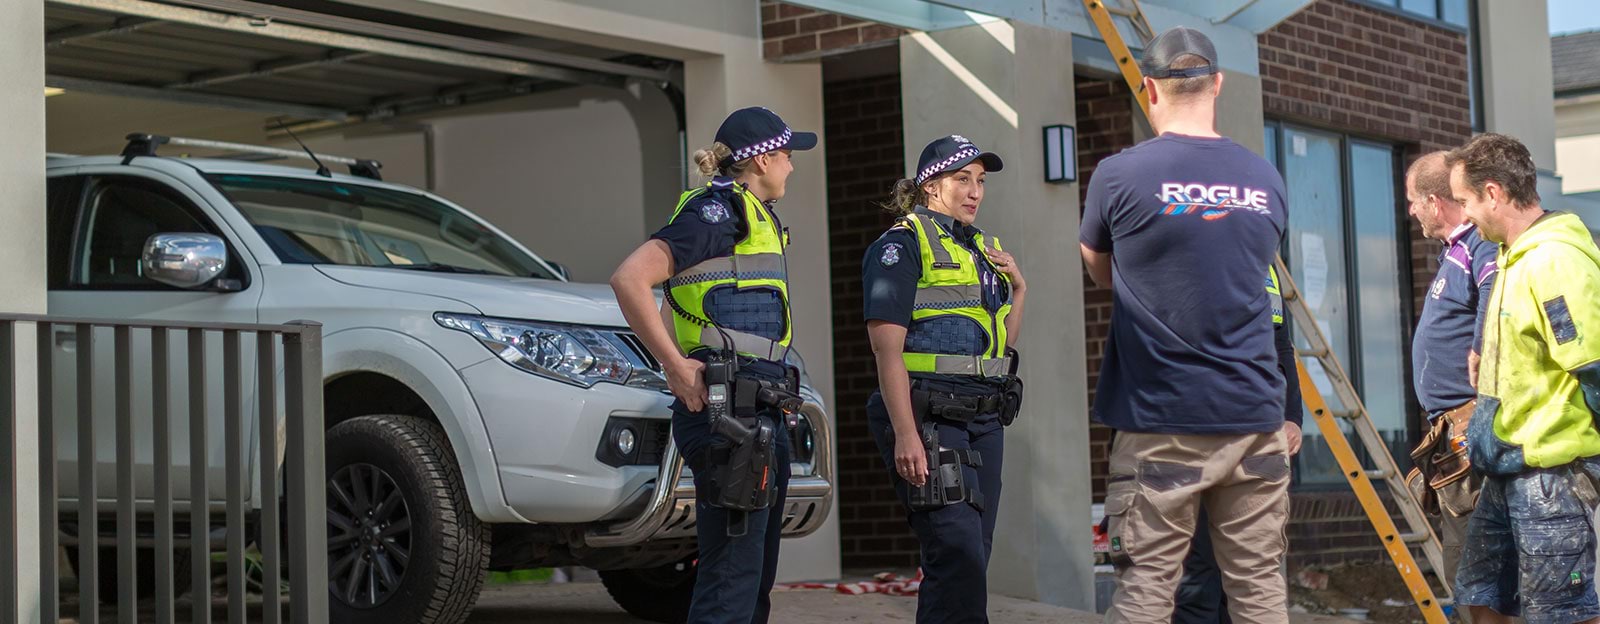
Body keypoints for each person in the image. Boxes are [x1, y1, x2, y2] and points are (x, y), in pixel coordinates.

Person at [1078, 26, 1292, 624]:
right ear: (1217, 84)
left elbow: (1100, 272)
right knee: (1258, 589)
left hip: (1161, 418)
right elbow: (1253, 271)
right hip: (1255, 416)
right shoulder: (1265, 178)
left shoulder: (1118, 176)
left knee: (1147, 589)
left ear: (1149, 89)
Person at [609, 106, 816, 624]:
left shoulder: (749, 214)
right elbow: (630, 278)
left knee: (751, 583)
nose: (792, 167)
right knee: (730, 584)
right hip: (732, 415)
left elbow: (676, 301)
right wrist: (676, 368)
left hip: (757, 409)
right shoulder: (717, 212)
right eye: (788, 156)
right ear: (762, 159)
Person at [862, 134, 1026, 623]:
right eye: (962, 179)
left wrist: (1019, 288)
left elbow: (1001, 343)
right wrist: (906, 433)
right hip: (930, 416)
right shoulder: (901, 245)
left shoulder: (980, 247)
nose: (975, 191)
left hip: (985, 416)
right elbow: (884, 349)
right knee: (955, 551)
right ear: (931, 185)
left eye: (980, 181)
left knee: (974, 554)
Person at [1447, 132, 1600, 624]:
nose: (1464, 215)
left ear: (1493, 193)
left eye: (1466, 201)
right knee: (1479, 591)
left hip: (1553, 472)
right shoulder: (1515, 257)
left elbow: (1593, 366)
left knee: (1564, 613)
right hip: (1508, 465)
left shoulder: (1554, 261)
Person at [1172, 265, 1304, 624]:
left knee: (1249, 571)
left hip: (1256, 436)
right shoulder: (1196, 248)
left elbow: (1281, 347)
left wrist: (1293, 416)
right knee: (1197, 572)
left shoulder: (1267, 267)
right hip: (1197, 432)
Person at [1401, 150, 1497, 598]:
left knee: (1477, 576)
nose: (1410, 210)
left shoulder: (1479, 244)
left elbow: (1496, 290)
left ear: (1434, 203)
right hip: (1453, 431)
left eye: (1412, 201)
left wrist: (1479, 347)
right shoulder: (1456, 251)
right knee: (1469, 572)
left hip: (1471, 430)